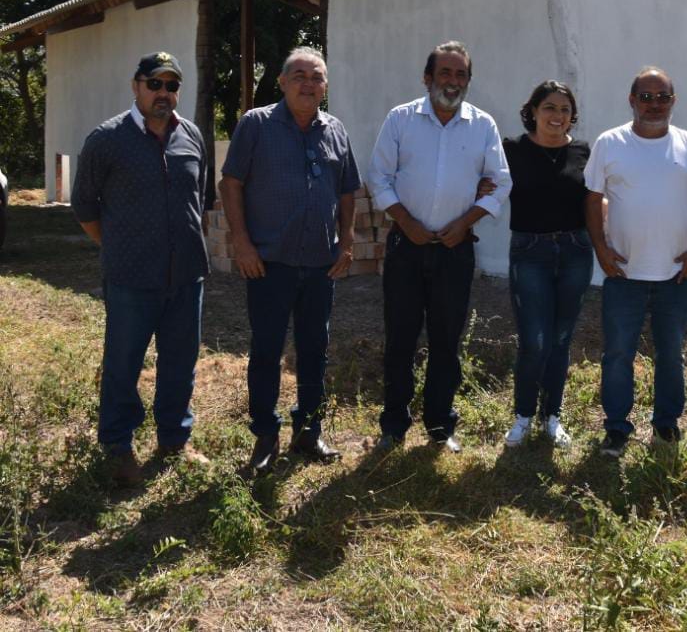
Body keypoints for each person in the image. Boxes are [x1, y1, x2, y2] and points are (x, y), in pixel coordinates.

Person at [219, 47, 361, 475]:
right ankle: (266, 436)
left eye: (316, 77)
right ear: (281, 82)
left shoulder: (335, 129)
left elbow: (348, 190)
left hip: (321, 264)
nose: (307, 83)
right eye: (298, 75)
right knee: (266, 350)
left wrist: (348, 238)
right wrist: (241, 242)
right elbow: (231, 183)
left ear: (325, 87)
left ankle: (309, 430)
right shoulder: (256, 125)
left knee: (315, 349)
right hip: (269, 263)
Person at [71, 52, 209, 487]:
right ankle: (117, 446)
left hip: (186, 275)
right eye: (155, 84)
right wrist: (115, 246)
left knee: (180, 362)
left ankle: (174, 439)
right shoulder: (107, 139)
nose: (163, 93)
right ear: (136, 86)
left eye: (171, 86)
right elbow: (84, 205)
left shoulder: (191, 136)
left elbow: (199, 199)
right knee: (123, 363)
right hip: (131, 277)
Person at [367, 40, 511, 452]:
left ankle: (439, 426)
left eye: (460, 74)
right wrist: (406, 222)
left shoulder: (482, 125)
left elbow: (501, 181)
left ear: (468, 80)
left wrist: (466, 222)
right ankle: (393, 424)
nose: (452, 81)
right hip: (405, 247)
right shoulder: (401, 120)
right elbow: (379, 177)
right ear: (427, 78)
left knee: (447, 340)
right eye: (444, 73)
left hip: (455, 248)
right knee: (400, 337)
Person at [585, 67, 687, 457]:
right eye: (646, 97)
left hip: (675, 276)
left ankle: (666, 425)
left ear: (673, 102)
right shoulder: (610, 143)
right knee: (617, 355)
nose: (654, 104)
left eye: (662, 97)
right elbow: (592, 199)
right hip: (623, 274)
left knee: (671, 356)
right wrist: (601, 249)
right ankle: (616, 428)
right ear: (631, 101)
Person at [501, 81, 593, 449]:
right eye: (550, 108)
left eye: (565, 110)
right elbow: (485, 184)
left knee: (560, 338)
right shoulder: (511, 150)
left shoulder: (585, 152)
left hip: (575, 250)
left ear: (572, 117)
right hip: (529, 252)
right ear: (534, 111)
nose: (557, 116)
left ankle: (552, 416)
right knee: (534, 340)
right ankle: (523, 415)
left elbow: (596, 201)